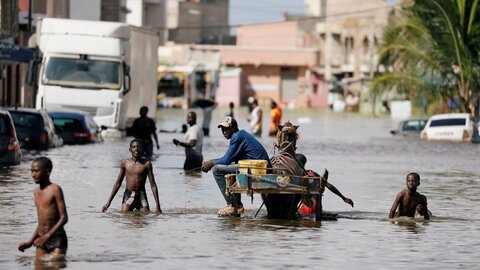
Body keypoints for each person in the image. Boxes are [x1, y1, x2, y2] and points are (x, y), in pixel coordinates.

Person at [201, 116, 270, 216]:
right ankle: (236, 204)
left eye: (226, 129)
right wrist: (211, 162)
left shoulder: (236, 137)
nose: (224, 132)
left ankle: (233, 204)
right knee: (229, 167)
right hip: (256, 166)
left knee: (216, 169)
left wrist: (211, 162)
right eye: (222, 129)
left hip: (257, 168)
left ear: (233, 128)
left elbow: (226, 160)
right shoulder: (240, 135)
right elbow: (230, 160)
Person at [18, 157, 69, 261]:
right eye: (31, 171)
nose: (33, 174)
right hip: (41, 240)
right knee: (39, 266)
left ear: (47, 171)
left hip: (56, 239)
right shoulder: (36, 192)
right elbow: (42, 223)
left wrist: (48, 235)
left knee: (55, 264)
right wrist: (30, 242)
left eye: (36, 171)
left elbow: (64, 217)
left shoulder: (55, 189)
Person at [102, 139, 162, 213]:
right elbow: (118, 183)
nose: (136, 148)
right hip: (128, 196)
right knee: (125, 216)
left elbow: (153, 185)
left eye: (138, 147)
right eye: (134, 147)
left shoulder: (147, 164)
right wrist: (108, 202)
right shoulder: (125, 163)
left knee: (145, 218)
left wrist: (158, 206)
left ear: (141, 149)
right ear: (130, 150)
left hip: (141, 196)